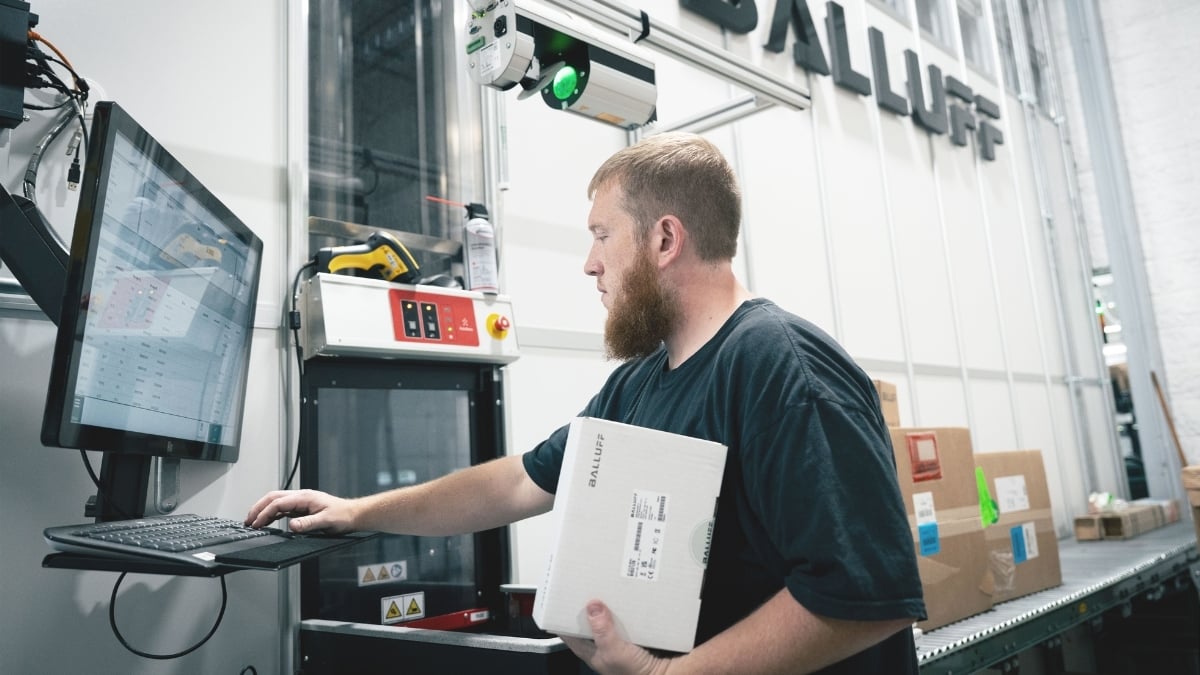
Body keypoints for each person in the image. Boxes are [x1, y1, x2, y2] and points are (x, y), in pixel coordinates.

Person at [246, 132, 926, 673]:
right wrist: (356, 510)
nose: (589, 263)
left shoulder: (784, 368)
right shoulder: (640, 384)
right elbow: (517, 480)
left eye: (602, 234)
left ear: (664, 239)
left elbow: (866, 598)